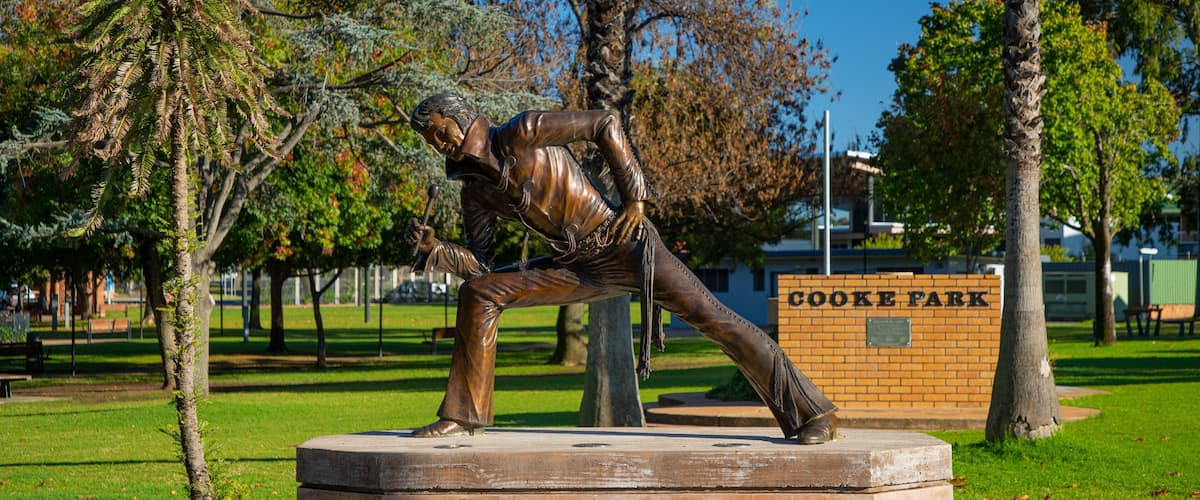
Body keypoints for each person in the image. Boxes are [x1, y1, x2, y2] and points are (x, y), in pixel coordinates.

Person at [405, 94, 838, 444]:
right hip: (575, 266)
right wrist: (436, 249)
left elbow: (604, 123)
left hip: (626, 245)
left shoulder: (523, 131)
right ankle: (464, 416)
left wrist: (635, 198)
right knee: (479, 292)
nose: (437, 143)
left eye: (438, 131)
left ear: (459, 117)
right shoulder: (475, 192)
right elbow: (481, 265)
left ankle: (814, 413)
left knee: (716, 320)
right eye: (429, 141)